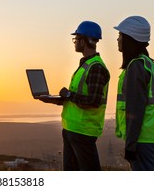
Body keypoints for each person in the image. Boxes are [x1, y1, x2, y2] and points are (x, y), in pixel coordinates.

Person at [36, 21, 110, 170]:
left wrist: (68, 94)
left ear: (83, 40)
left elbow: (93, 101)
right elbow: (76, 99)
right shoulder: (85, 65)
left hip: (83, 131)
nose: (75, 42)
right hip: (72, 130)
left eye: (76, 39)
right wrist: (53, 100)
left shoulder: (95, 67)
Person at [114, 16, 154, 171]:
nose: (118, 39)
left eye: (120, 36)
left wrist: (130, 144)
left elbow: (135, 110)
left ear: (129, 39)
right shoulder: (151, 66)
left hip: (143, 141)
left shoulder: (136, 67)